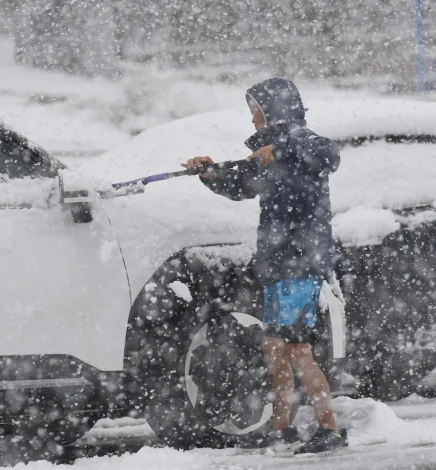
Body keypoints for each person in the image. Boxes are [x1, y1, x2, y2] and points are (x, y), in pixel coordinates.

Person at [183, 78, 348, 454]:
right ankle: (281, 427)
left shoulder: (304, 143)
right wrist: (208, 172)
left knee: (295, 350)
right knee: (276, 349)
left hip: (301, 264)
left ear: (273, 111)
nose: (252, 119)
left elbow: (329, 152)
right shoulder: (269, 156)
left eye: (255, 111)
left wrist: (282, 147)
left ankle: (330, 429)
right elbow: (240, 183)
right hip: (278, 267)